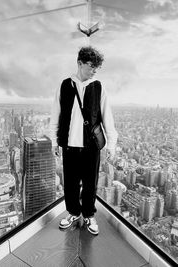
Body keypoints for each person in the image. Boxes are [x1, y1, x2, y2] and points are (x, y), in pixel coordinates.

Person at [50, 46, 118, 235]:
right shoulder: (64, 85)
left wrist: (111, 144)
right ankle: (73, 213)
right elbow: (55, 115)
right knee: (70, 184)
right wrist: (55, 142)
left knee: (90, 184)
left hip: (91, 147)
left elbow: (107, 116)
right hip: (70, 146)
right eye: (91, 66)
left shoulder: (98, 87)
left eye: (96, 67)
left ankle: (88, 215)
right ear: (79, 63)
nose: (94, 70)